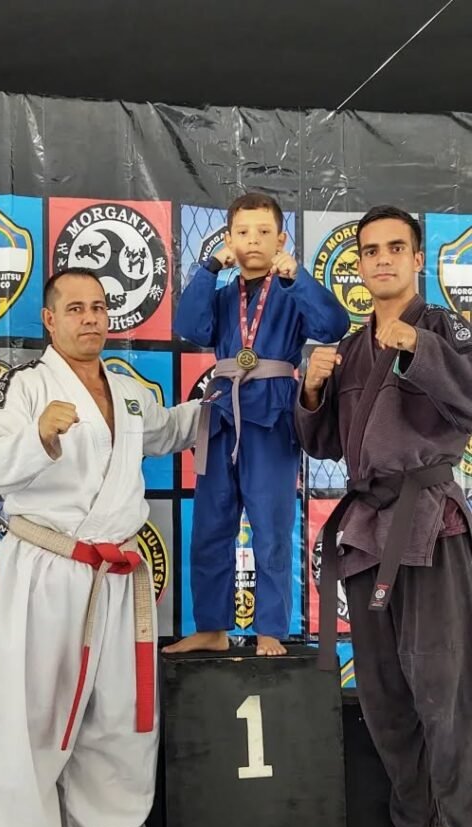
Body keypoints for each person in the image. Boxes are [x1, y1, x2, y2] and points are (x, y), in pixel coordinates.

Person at [0, 268, 200, 827]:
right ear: (49, 319)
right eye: (75, 308)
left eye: (98, 307)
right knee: (31, 713)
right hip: (48, 567)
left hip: (114, 573)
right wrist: (39, 436)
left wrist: (232, 394)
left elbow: (169, 431)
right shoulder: (23, 386)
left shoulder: (126, 391)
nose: (90, 318)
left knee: (117, 710)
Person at [296, 204, 472, 827]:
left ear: (418, 258)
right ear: (360, 264)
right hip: (368, 529)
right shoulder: (350, 346)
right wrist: (312, 391)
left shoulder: (445, 329)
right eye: (370, 250)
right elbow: (324, 442)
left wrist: (420, 350)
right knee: (383, 689)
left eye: (396, 247)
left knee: (444, 689)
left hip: (429, 525)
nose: (383, 260)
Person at [166, 193, 350, 657]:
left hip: (271, 417)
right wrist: (209, 268)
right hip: (222, 416)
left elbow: (332, 326)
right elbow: (190, 327)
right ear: (229, 238)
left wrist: (298, 277)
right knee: (210, 527)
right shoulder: (221, 294)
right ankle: (212, 627)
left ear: (281, 239)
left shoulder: (290, 292)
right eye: (243, 232)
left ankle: (271, 628)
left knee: (271, 528)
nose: (253, 240)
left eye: (264, 232)